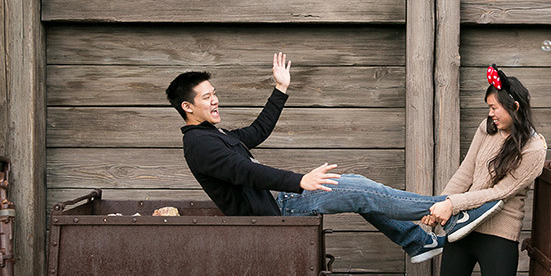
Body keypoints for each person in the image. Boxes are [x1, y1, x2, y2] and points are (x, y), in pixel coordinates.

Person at [165, 53, 504, 263]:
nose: (215, 101)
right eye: (207, 97)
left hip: (281, 198)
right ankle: (447, 209)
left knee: (359, 189)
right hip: (278, 209)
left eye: (214, 94)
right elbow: (245, 172)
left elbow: (256, 133)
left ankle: (416, 241)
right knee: (359, 191)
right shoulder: (200, 145)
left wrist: (280, 89)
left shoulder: (213, 136)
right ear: (187, 107)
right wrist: (298, 181)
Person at [401, 64, 547, 276]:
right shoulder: (487, 129)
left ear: (515, 108)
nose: (490, 114)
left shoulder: (535, 149)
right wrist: (439, 205)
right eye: (489, 109)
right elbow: (465, 172)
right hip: (464, 228)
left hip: (499, 233)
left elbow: (500, 193)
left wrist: (453, 204)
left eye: (494, 108)